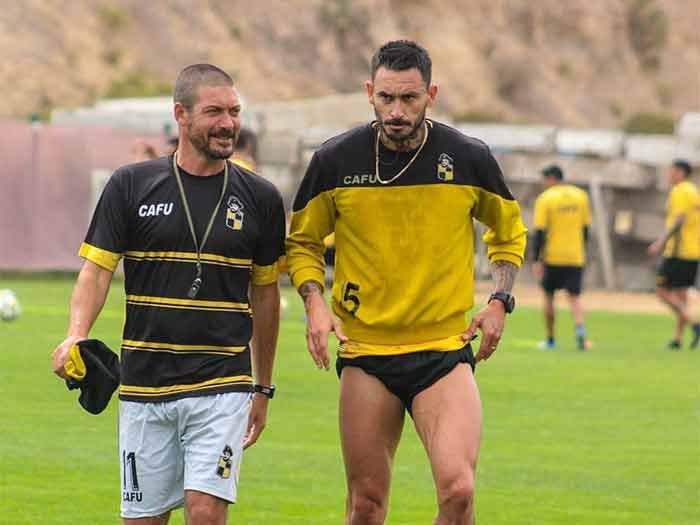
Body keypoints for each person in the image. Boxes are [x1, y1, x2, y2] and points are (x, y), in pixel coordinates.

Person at [286, 40, 527, 525]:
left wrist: (500, 299)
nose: (397, 111)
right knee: (366, 506)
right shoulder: (334, 160)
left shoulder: (468, 157)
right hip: (366, 353)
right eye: (386, 98)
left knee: (459, 491)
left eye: (410, 99)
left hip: (443, 348)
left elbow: (508, 232)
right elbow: (303, 243)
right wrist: (314, 303)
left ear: (431, 94)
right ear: (369, 92)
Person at [51, 63, 286, 525]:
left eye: (235, 112)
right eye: (215, 111)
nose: (228, 123)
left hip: (222, 385)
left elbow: (265, 294)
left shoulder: (260, 197)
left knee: (205, 513)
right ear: (181, 114)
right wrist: (74, 335)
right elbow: (97, 271)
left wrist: (262, 386)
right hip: (144, 385)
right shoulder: (130, 185)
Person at [531, 164, 592, 351]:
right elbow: (586, 229)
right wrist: (583, 251)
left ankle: (550, 340)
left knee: (549, 297)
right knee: (574, 297)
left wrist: (536, 259)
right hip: (575, 256)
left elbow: (540, 232)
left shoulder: (545, 198)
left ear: (550, 179)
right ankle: (580, 331)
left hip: (553, 257)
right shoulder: (581, 196)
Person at [647, 159, 700, 350]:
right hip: (693, 251)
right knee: (681, 295)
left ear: (679, 172)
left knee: (662, 291)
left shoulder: (680, 191)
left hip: (678, 251)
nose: (669, 175)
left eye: (671, 171)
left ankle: (694, 324)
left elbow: (679, 219)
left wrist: (661, 242)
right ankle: (677, 339)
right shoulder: (694, 191)